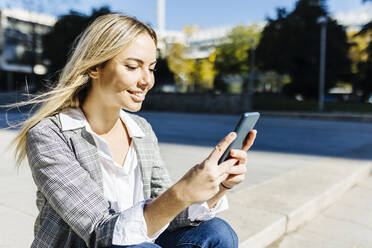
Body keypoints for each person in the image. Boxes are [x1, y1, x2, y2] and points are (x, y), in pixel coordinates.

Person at [11, 13, 257, 248]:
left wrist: (215, 188)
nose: (147, 80)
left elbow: (165, 211)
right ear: (95, 68)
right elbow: (99, 232)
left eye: (150, 67)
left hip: (140, 242)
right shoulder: (50, 135)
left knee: (216, 233)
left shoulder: (140, 129)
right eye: (132, 66)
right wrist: (181, 192)